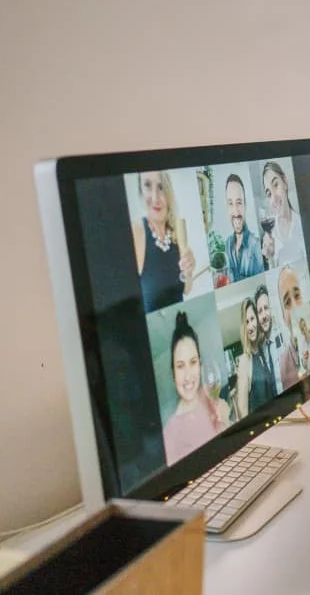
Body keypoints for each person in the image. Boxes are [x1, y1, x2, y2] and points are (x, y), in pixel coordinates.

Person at [162, 311, 228, 464]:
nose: (188, 376)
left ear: (200, 364)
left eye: (193, 362)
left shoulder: (210, 396)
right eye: (180, 366)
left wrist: (226, 422)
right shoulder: (169, 435)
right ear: (173, 373)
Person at [131, 171, 198, 312]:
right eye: (148, 185)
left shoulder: (177, 233)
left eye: (161, 187)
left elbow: (186, 289)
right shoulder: (136, 233)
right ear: (140, 191)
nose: (155, 198)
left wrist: (189, 270)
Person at [233, 297, 276, 418]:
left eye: (252, 319)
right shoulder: (244, 361)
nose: (250, 326)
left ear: (257, 319)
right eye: (246, 322)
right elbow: (243, 414)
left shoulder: (263, 351)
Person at [261, 162, 305, 269]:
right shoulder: (271, 233)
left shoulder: (302, 225)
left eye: (276, 185)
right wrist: (269, 258)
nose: (274, 198)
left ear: (285, 182)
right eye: (269, 194)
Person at [224, 174, 265, 283]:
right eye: (230, 204)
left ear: (245, 205)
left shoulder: (256, 246)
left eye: (239, 203)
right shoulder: (227, 244)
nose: (235, 211)